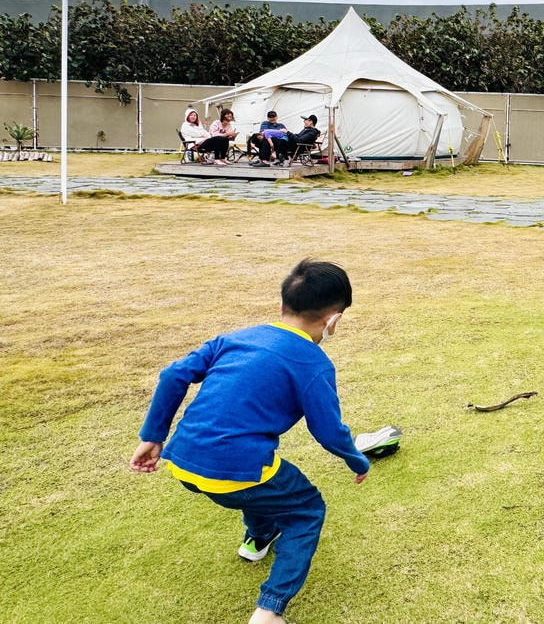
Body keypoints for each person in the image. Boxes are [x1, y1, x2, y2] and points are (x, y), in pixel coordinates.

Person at [130, 259, 369, 624]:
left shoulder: (234, 338)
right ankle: (269, 611)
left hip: (181, 461)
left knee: (263, 487)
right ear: (333, 319)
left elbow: (173, 374)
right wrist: (357, 460)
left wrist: (153, 436)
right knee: (305, 510)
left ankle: (257, 540)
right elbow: (328, 431)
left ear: (281, 305)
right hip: (236, 467)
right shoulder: (314, 363)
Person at [254, 115, 321, 167]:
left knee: (280, 141)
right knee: (267, 138)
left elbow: (299, 140)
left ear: (311, 121)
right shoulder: (306, 129)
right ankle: (262, 159)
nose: (304, 121)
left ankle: (265, 161)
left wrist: (287, 132)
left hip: (298, 147)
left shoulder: (312, 132)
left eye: (305, 120)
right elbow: (297, 136)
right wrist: (285, 133)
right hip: (293, 144)